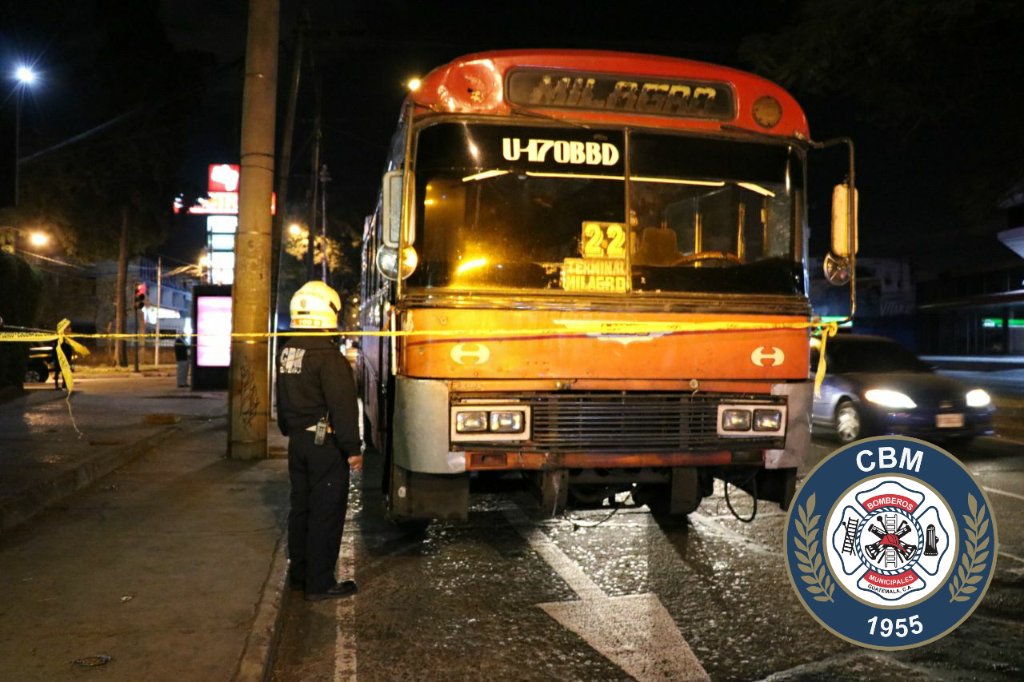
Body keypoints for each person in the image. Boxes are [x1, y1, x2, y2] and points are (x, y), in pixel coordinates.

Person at [276, 281, 362, 601]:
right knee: (326, 512)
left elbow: (282, 401)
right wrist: (352, 449)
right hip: (324, 446)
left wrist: (291, 430)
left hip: (298, 442)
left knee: (301, 508)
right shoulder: (329, 357)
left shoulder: (288, 350)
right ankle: (320, 582)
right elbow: (342, 406)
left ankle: (299, 575)